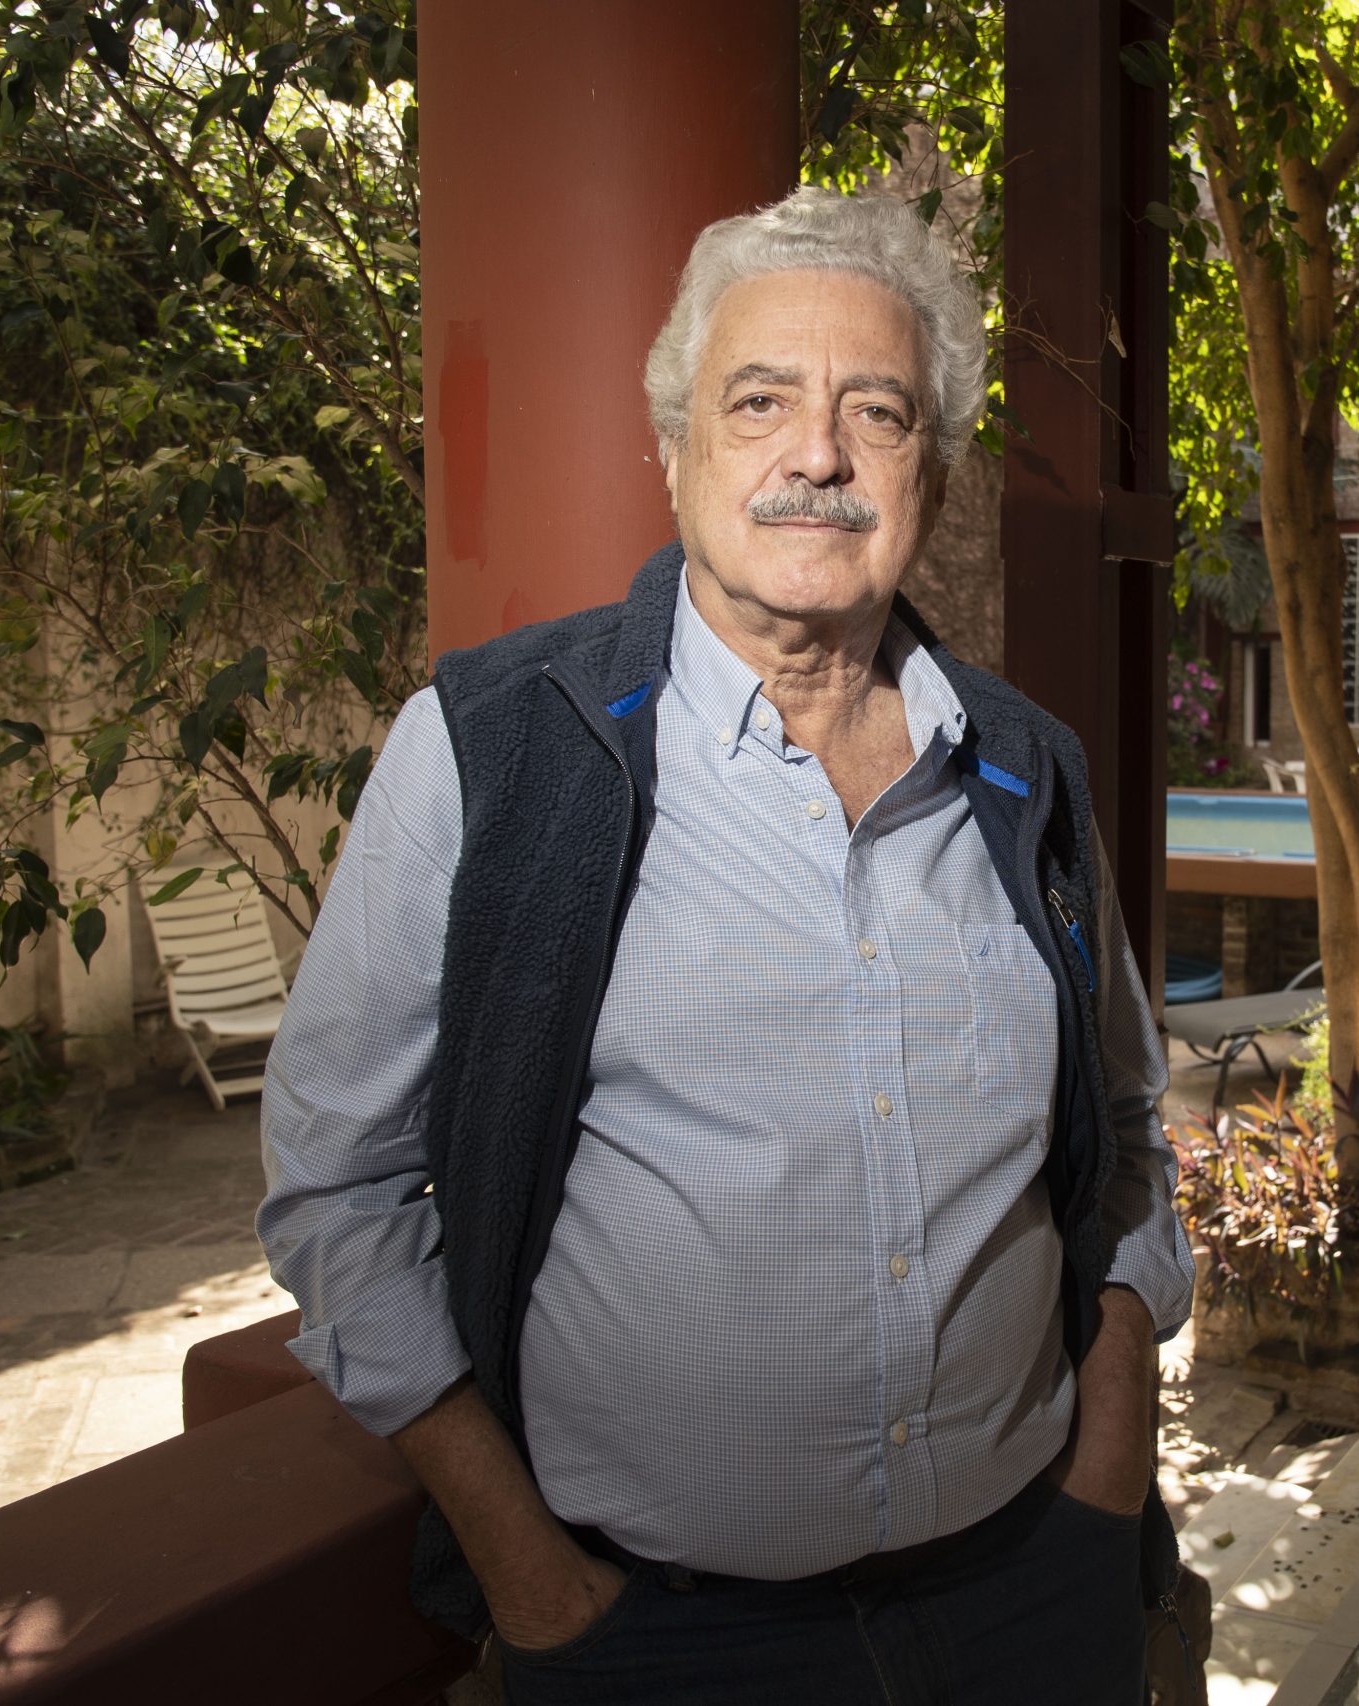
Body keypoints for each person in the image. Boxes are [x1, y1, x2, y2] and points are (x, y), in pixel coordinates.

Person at [257, 186, 1194, 1704]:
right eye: (759, 401)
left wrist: (1109, 1457)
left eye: (876, 410)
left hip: (1034, 1589)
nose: (817, 453)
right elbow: (336, 1187)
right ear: (674, 447)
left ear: (932, 474)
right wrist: (530, 1578)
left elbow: (1128, 1125)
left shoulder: (1026, 770)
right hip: (657, 1641)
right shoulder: (495, 749)